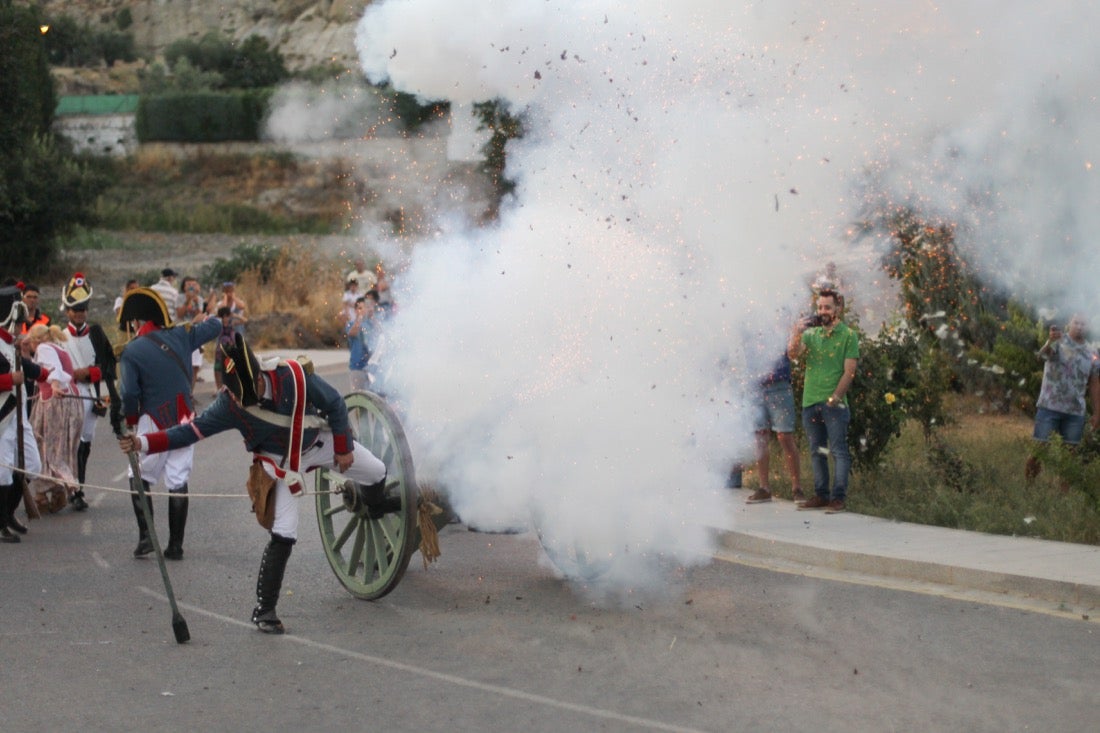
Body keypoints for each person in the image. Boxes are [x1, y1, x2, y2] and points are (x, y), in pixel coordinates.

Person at [118, 333, 390, 634]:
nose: (242, 400)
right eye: (236, 396)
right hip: (280, 463)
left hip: (319, 441)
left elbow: (336, 404)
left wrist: (343, 447)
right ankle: (265, 609)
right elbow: (189, 432)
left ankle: (373, 507)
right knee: (284, 531)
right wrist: (142, 442)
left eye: (252, 392)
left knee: (377, 472)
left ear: (262, 375)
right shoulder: (228, 405)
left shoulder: (295, 376)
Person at [117, 287, 221, 560]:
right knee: (178, 478)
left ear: (137, 322)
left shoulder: (132, 351)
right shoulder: (182, 334)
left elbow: (129, 394)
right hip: (186, 417)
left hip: (151, 419)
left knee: (138, 475)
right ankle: (176, 545)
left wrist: (129, 423)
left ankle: (147, 537)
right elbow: (217, 325)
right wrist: (201, 319)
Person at [788, 289, 859, 513]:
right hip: (810, 402)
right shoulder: (811, 335)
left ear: (837, 309)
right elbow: (792, 354)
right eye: (819, 307)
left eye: (827, 307)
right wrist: (796, 331)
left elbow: (850, 372)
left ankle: (837, 498)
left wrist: (835, 397)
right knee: (817, 450)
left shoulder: (848, 335)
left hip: (833, 404)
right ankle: (820, 494)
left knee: (838, 451)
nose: (822, 312)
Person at [60, 273, 121, 511]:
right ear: (67, 311)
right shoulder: (59, 336)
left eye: (83, 309)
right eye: (75, 309)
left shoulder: (96, 334)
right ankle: (68, 487)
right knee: (69, 444)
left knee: (84, 444)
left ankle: (78, 489)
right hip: (68, 396)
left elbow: (108, 365)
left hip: (91, 395)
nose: (79, 314)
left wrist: (91, 374)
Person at [1025, 315, 1100, 480]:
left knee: (1069, 458)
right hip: (1049, 406)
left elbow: (1094, 383)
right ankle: (1028, 491)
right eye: (1076, 322)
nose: (1079, 326)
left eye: (1083, 323)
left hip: (1075, 412)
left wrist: (1097, 412)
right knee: (1039, 450)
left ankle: (1062, 499)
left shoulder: (1092, 352)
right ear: (1069, 324)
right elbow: (1042, 356)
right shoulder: (1058, 342)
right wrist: (1049, 341)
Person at [0, 284, 46, 543]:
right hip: (3, 417)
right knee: (4, 471)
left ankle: (8, 513)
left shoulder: (11, 344)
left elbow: (29, 368)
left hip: (18, 415)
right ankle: (2, 521)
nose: (20, 327)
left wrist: (50, 379)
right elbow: (13, 375)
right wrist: (10, 380)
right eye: (17, 322)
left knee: (32, 465)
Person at [25, 324, 83, 514]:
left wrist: (55, 385)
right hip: (68, 401)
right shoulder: (58, 346)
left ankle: (42, 493)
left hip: (54, 402)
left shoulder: (43, 348)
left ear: (35, 340)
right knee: (58, 448)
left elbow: (54, 370)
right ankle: (58, 491)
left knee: (42, 446)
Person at [744, 352, 805, 504]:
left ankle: (797, 488)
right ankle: (764, 488)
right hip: (755, 387)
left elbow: (792, 349)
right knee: (760, 437)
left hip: (779, 385)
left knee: (785, 436)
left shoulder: (780, 327)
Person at [177, 276, 207, 386]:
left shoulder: (199, 299)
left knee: (195, 366)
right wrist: (187, 301)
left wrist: (194, 301)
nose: (191, 287)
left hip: (196, 332)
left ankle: (191, 394)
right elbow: (180, 314)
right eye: (188, 284)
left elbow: (199, 314)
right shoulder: (179, 298)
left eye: (193, 284)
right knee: (184, 365)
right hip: (183, 333)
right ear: (184, 287)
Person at [345, 296, 372, 391]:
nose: (363, 310)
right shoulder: (351, 324)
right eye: (360, 308)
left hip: (370, 368)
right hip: (357, 367)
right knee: (358, 396)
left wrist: (372, 317)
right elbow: (353, 333)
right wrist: (359, 317)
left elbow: (380, 334)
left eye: (364, 307)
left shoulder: (369, 324)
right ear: (356, 310)